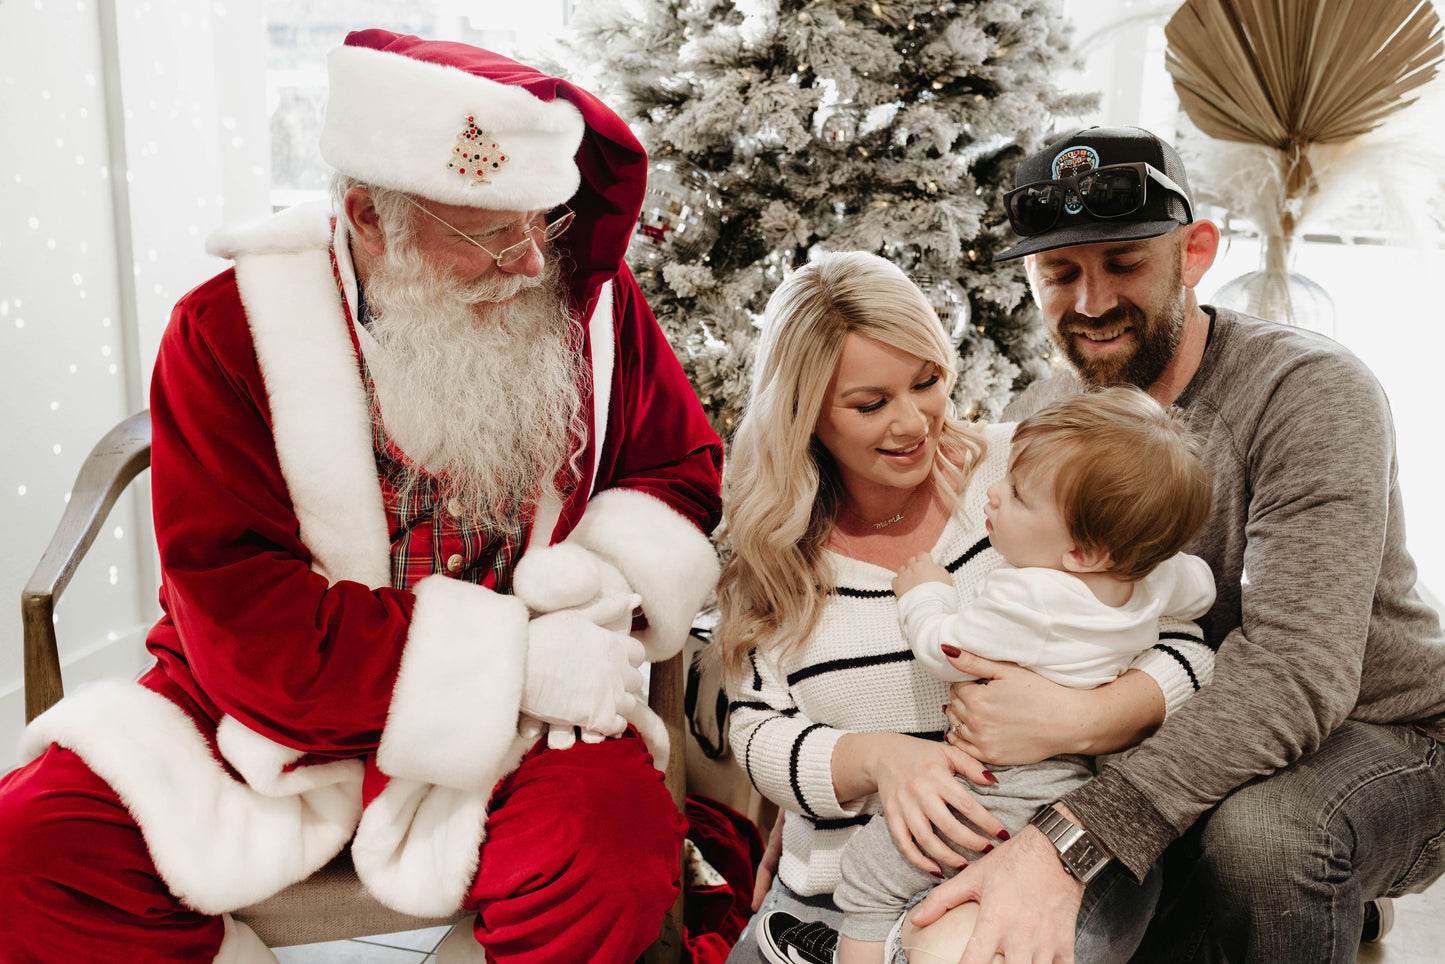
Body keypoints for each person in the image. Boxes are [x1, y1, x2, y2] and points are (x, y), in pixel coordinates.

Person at [0, 30, 723, 964]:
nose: (531, 264)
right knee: (33, 855)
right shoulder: (226, 331)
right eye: (486, 231)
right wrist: (508, 663)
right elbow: (243, 616)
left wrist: (586, 611)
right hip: (271, 716)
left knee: (610, 855)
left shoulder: (591, 302)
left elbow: (677, 470)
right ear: (367, 217)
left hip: (528, 720)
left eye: (542, 221)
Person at [905, 125, 1445, 964]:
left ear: (1194, 251)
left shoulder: (1308, 392)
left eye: (1122, 263)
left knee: (1264, 840)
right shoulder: (1041, 414)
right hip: (1174, 717)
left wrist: (1074, 823)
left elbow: (1297, 673)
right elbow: (979, 592)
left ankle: (1311, 887)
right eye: (1058, 273)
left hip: (1379, 732)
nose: (1088, 303)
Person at [714, 250, 1218, 964]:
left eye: (927, 382)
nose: (913, 422)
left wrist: (1088, 716)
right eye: (868, 404)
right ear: (803, 414)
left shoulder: (1034, 472)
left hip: (1039, 856)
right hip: (837, 886)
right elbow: (758, 731)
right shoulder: (772, 545)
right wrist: (877, 761)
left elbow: (1187, 647)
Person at [830, 386, 1216, 964]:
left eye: (1016, 494)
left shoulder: (1026, 595)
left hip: (998, 784)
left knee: (870, 873)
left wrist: (925, 591)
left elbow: (945, 646)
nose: (993, 492)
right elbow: (1201, 589)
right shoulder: (1154, 579)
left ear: (1081, 553)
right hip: (1076, 785)